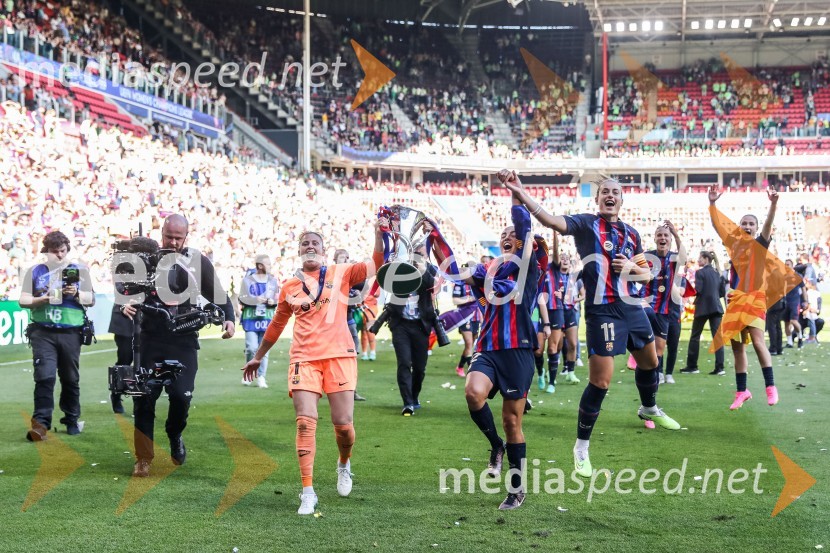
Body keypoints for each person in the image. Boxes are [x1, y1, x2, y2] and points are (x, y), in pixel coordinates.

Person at [505, 174, 681, 478]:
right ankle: (581, 447)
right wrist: (521, 192)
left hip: (632, 307)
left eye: (615, 192)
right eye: (605, 192)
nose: (610, 196)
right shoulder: (587, 224)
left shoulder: (632, 234)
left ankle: (649, 407)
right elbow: (550, 220)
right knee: (601, 381)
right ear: (597, 199)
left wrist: (629, 268)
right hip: (603, 312)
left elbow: (645, 275)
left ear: (622, 200)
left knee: (651, 362)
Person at [241, 224, 385, 515]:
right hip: (303, 359)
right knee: (305, 422)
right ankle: (308, 491)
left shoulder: (341, 272)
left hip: (339, 357)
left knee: (343, 426)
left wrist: (379, 233)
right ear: (299, 250)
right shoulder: (289, 286)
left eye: (315, 243)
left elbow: (377, 263)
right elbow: (277, 324)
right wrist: (258, 356)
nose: (310, 246)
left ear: (323, 249)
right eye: (305, 242)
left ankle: (344, 463)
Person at [432, 169, 544, 510]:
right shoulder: (487, 272)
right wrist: (434, 236)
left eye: (514, 234)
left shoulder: (530, 268)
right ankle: (495, 444)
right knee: (472, 392)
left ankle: (517, 488)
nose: (509, 236)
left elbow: (524, 227)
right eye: (504, 235)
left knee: (513, 421)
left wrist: (514, 194)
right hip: (489, 349)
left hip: (519, 352)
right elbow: (454, 270)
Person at [121, 215, 236, 477]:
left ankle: (174, 434)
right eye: (168, 236)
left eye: (177, 237)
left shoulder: (197, 261)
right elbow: (125, 292)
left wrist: (229, 319)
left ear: (186, 236)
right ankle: (143, 457)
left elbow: (218, 294)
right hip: (149, 340)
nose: (172, 242)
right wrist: (125, 304)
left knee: (181, 397)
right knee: (144, 397)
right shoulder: (145, 259)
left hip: (183, 340)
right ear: (161, 233)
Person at [707, 185, 779, 409]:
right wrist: (712, 204)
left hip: (755, 299)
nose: (747, 226)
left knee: (758, 342)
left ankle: (770, 386)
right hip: (736, 301)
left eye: (751, 224)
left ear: (757, 229)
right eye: (744, 223)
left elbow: (768, 224)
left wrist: (773, 204)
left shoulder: (760, 244)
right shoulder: (734, 246)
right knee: (738, 349)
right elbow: (718, 228)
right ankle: (742, 391)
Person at [20, 231, 95, 441]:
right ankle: (40, 425)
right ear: (47, 252)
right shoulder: (34, 271)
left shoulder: (79, 270)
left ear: (67, 250)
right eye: (55, 252)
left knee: (70, 378)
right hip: (43, 332)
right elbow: (23, 300)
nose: (60, 256)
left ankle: (71, 420)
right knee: (44, 376)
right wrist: (42, 299)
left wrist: (77, 294)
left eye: (63, 251)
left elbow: (91, 299)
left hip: (71, 332)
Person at [385, 240, 439, 415]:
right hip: (400, 324)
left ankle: (414, 396)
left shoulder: (429, 269)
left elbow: (433, 286)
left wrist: (422, 268)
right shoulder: (400, 268)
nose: (417, 256)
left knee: (420, 367)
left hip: (421, 325)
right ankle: (407, 402)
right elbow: (387, 280)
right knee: (404, 363)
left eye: (421, 253)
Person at [642, 221, 685, 385]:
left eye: (665, 235)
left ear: (670, 240)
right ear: (654, 238)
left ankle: (668, 373)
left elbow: (684, 257)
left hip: (672, 309)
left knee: (673, 342)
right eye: (659, 235)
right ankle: (658, 372)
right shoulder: (647, 257)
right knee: (655, 343)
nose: (662, 238)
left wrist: (675, 232)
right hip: (653, 308)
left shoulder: (674, 258)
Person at [680, 251, 726, 375]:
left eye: (700, 258)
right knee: (717, 338)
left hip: (703, 308)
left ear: (706, 259)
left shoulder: (700, 272)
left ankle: (692, 366)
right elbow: (722, 293)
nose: (698, 260)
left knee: (695, 337)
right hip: (716, 307)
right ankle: (720, 367)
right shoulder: (717, 273)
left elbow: (698, 290)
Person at [239, 254, 280, 388]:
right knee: (251, 347)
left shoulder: (273, 281)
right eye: (268, 264)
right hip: (251, 318)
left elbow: (277, 299)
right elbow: (241, 299)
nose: (270, 266)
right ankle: (248, 373)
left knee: (265, 350)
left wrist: (272, 302)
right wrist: (254, 300)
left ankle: (261, 376)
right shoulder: (247, 281)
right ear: (260, 266)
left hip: (267, 319)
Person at [334, 249, 368, 402]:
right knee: (334, 358)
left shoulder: (354, 276)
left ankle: (351, 391)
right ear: (335, 260)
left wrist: (356, 295)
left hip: (349, 321)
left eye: (348, 257)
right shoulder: (330, 275)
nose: (347, 259)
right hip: (334, 325)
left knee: (352, 358)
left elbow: (364, 288)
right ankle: (334, 389)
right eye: (343, 257)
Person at [451, 277, 481, 378]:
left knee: (470, 345)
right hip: (464, 317)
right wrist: (469, 299)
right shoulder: (459, 284)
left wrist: (484, 312)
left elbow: (482, 300)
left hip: (476, 317)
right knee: (468, 344)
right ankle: (471, 372)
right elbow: (455, 300)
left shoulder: (478, 283)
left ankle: (459, 367)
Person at [108, 297, 133, 414]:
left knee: (146, 362)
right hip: (124, 320)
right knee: (124, 360)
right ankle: (116, 394)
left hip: (147, 321)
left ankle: (142, 401)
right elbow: (120, 289)